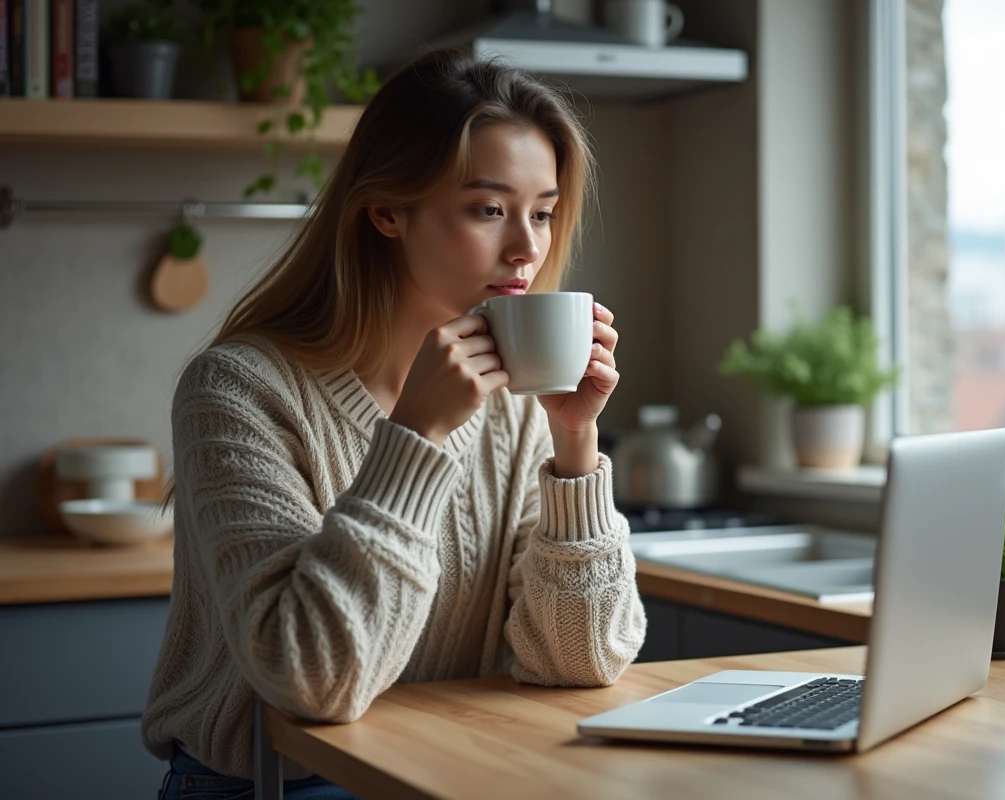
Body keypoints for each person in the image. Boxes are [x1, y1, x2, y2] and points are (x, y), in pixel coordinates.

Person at [144, 47, 647, 799]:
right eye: (488, 209)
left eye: (541, 212)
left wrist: (576, 446)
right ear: (386, 211)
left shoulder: (516, 408)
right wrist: (414, 439)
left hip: (444, 770)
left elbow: (579, 659)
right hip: (274, 786)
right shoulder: (237, 391)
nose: (528, 247)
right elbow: (312, 680)